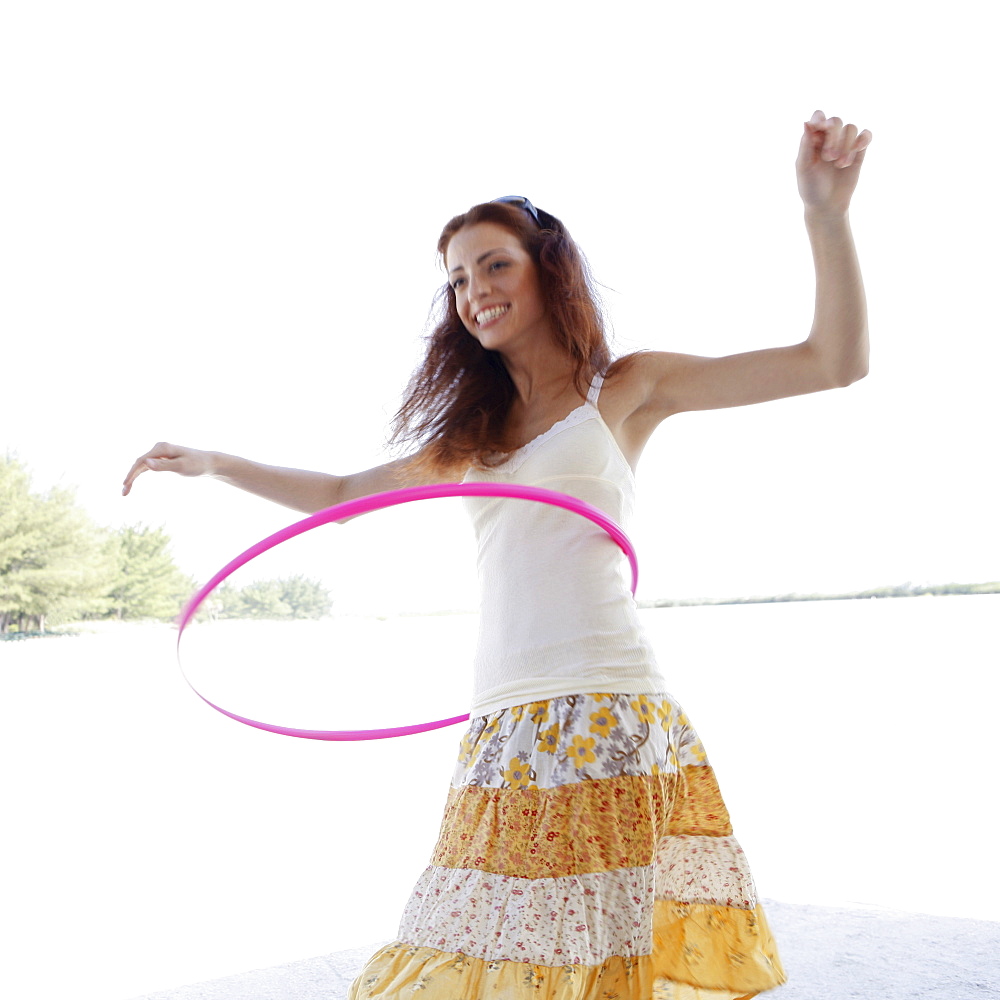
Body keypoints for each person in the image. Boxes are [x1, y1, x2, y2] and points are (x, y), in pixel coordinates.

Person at [122, 110, 872, 999]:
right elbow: (338, 498)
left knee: (598, 958)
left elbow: (832, 362)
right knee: (477, 950)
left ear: (546, 270)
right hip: (504, 723)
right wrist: (216, 463)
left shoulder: (627, 389)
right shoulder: (471, 440)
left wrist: (825, 214)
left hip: (607, 706)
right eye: (458, 278)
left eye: (493, 264)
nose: (474, 290)